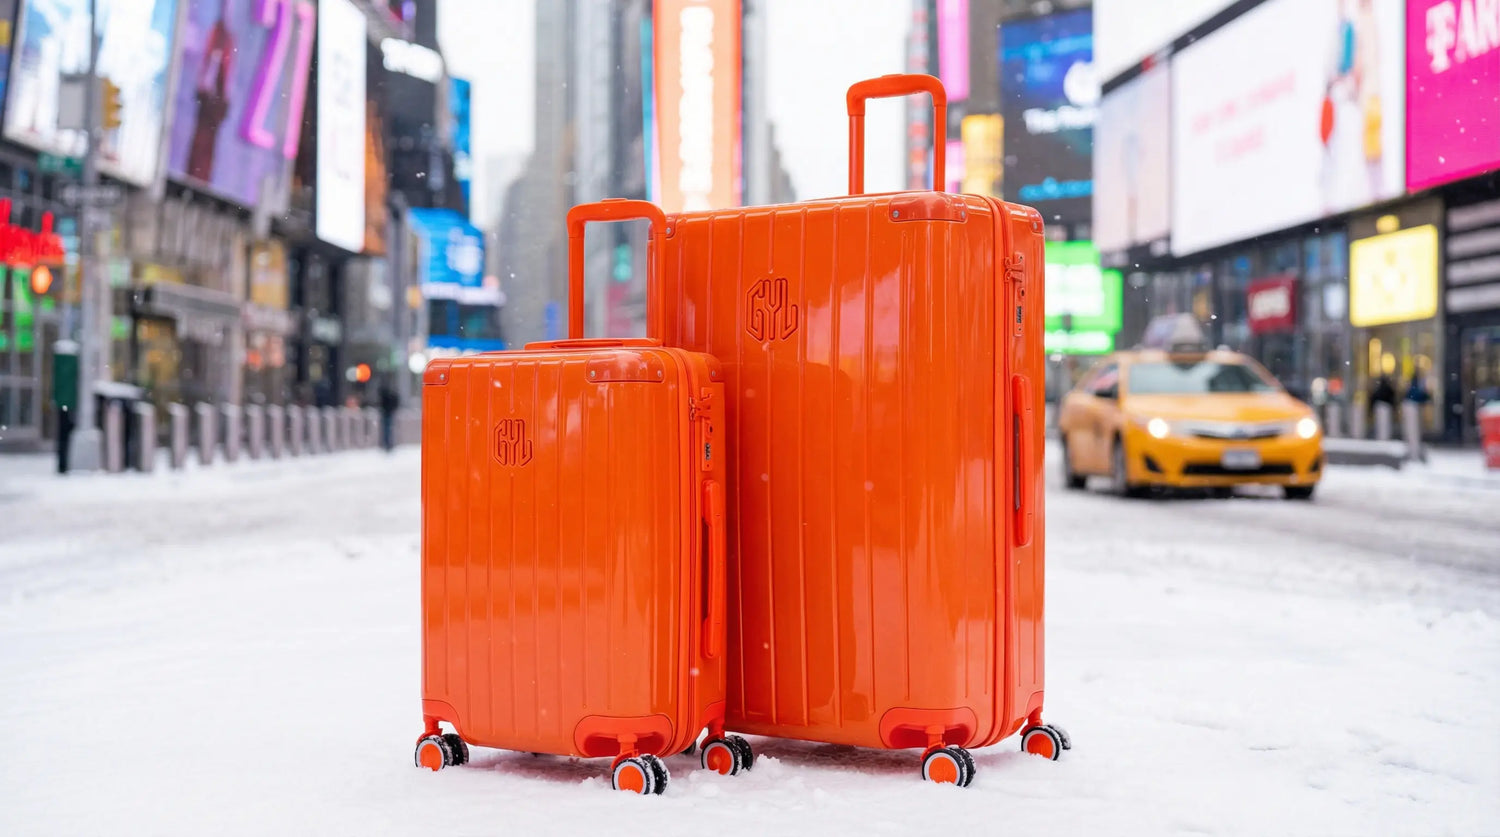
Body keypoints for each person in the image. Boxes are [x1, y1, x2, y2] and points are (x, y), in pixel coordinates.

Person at [378, 378, 400, 453]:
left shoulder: (385, 395)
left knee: (386, 430)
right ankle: (388, 444)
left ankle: (386, 443)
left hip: (386, 413)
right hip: (389, 413)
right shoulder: (392, 395)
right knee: (389, 429)